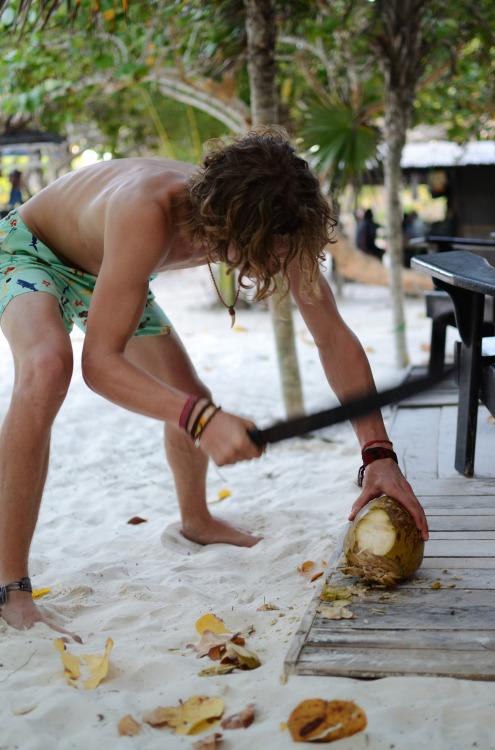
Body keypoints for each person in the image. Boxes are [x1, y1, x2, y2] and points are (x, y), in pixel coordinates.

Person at [0, 128, 428, 642]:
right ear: (227, 223)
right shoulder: (147, 211)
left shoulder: (280, 217)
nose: (278, 262)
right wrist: (201, 422)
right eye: (269, 251)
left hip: (107, 272)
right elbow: (100, 366)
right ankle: (11, 587)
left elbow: (332, 336)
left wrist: (377, 454)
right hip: (29, 250)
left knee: (189, 397)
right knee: (48, 367)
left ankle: (196, 521)